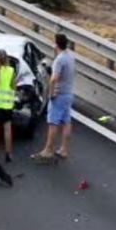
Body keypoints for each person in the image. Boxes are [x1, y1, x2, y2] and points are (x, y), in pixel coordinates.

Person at [35, 33, 77, 162]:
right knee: (66, 121)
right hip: (69, 93)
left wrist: (51, 93)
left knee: (53, 122)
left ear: (56, 44)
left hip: (59, 94)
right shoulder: (70, 56)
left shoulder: (59, 60)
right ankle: (63, 149)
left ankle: (48, 150)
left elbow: (54, 78)